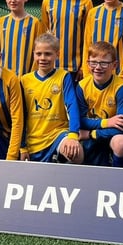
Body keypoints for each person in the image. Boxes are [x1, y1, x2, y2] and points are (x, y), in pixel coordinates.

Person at [20, 33, 83, 163]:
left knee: (77, 153)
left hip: (57, 134)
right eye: (39, 54)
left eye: (48, 54)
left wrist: (73, 135)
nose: (43, 58)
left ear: (57, 54)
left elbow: (72, 106)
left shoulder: (63, 76)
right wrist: (22, 147)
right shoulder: (24, 80)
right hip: (33, 139)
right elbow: (20, 116)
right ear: (33, 54)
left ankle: (64, 173)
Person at [76, 41, 123, 167]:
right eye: (93, 62)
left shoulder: (121, 87)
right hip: (92, 132)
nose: (98, 67)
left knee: (122, 143)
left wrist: (92, 133)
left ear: (114, 65)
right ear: (88, 63)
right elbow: (79, 121)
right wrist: (106, 122)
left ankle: (121, 180)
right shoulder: (82, 86)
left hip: (108, 134)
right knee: (73, 146)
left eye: (104, 63)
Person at [41, 0, 93, 80]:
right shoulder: (47, 2)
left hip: (75, 69)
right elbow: (45, 34)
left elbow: (88, 37)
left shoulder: (86, 3)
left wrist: (84, 66)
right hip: (53, 66)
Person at [0, 0, 42, 76]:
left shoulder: (34, 23)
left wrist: (34, 74)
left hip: (26, 76)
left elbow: (39, 50)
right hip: (3, 76)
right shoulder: (0, 22)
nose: (13, 0)